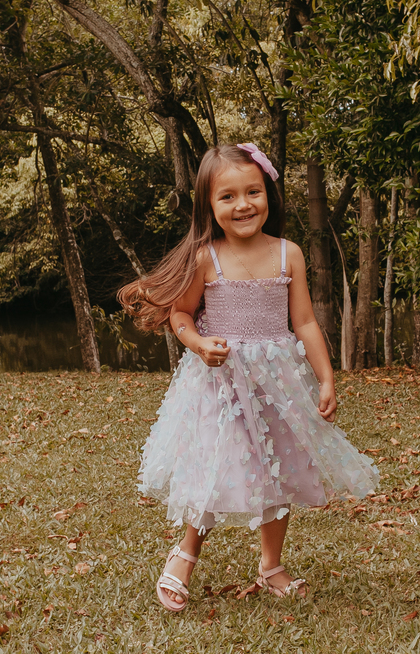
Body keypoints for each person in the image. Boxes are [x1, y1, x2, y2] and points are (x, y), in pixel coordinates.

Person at [117, 142, 380, 612]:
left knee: (278, 466)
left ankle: (271, 564)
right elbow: (181, 315)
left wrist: (325, 379)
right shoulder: (206, 258)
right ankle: (186, 554)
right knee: (215, 467)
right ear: (209, 206)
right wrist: (199, 344)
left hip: (277, 386)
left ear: (268, 195)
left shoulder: (288, 254)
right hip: (220, 385)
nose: (243, 205)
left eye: (253, 191)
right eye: (228, 196)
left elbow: (304, 323)